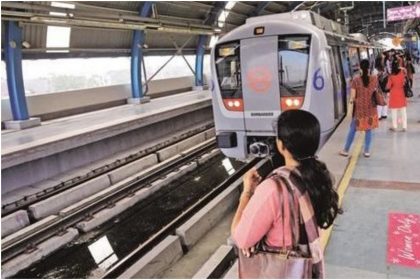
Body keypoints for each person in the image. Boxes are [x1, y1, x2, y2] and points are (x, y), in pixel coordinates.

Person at [231, 109, 339, 279]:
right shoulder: (317, 177)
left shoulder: (274, 188)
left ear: (281, 146)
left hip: (283, 271)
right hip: (305, 267)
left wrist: (247, 192)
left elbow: (241, 238)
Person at [340, 59, 379, 158]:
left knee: (353, 129)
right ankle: (366, 151)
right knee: (368, 130)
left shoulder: (356, 80)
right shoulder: (374, 79)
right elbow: (375, 90)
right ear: (369, 67)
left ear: (360, 67)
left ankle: (346, 150)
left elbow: (352, 96)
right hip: (371, 108)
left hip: (359, 109)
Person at [387, 60, 408, 132]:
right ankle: (404, 127)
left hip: (393, 94)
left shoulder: (391, 76)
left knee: (394, 111)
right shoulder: (402, 73)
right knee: (403, 111)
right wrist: (402, 68)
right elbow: (405, 78)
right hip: (401, 93)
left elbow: (388, 86)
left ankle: (395, 126)